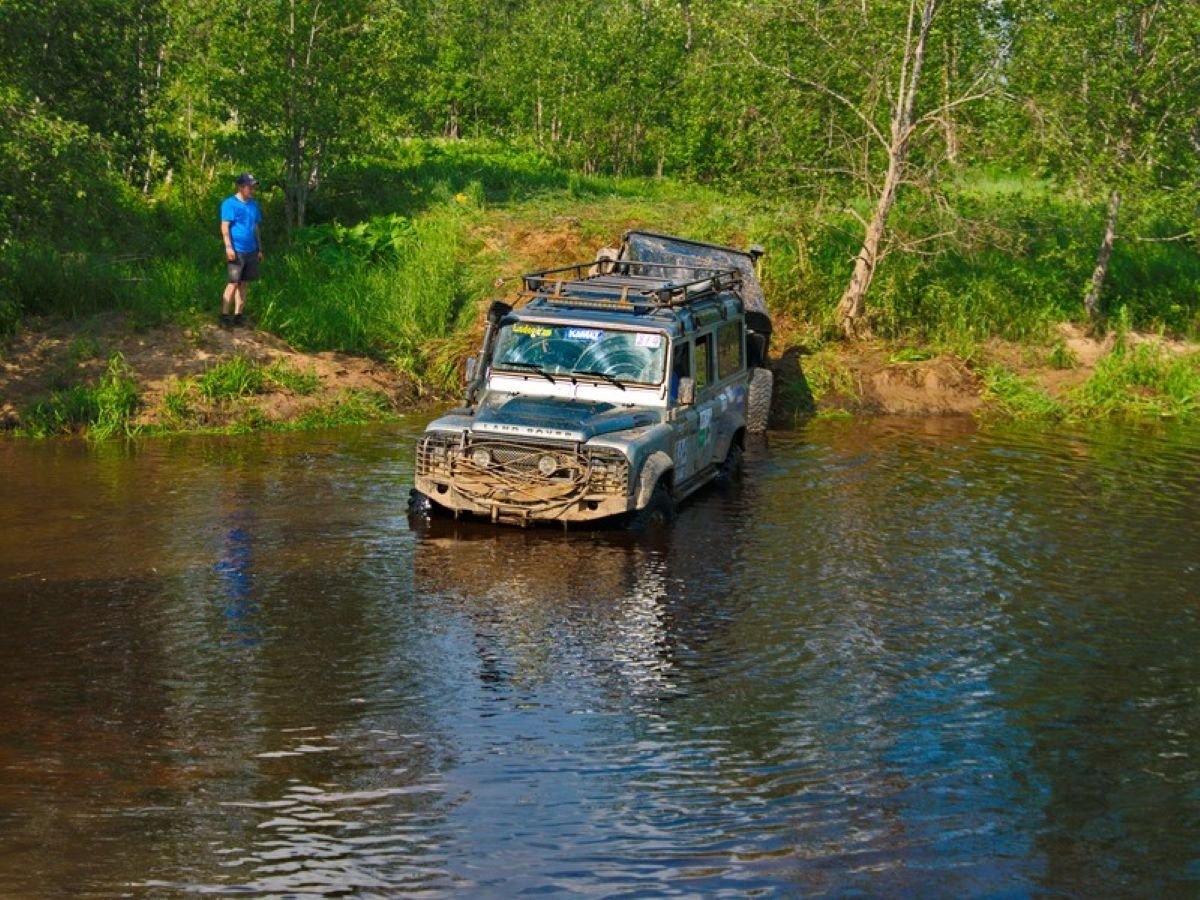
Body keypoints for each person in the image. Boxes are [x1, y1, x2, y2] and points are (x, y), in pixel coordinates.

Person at [219, 173, 264, 328]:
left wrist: (259, 248)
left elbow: (256, 227)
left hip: (251, 250)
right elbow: (224, 227)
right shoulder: (229, 204)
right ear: (240, 187)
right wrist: (228, 247)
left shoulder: (254, 205)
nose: (252, 190)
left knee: (244, 284)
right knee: (233, 282)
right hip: (236, 250)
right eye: (249, 187)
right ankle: (224, 316)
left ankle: (239, 315)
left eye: (253, 187)